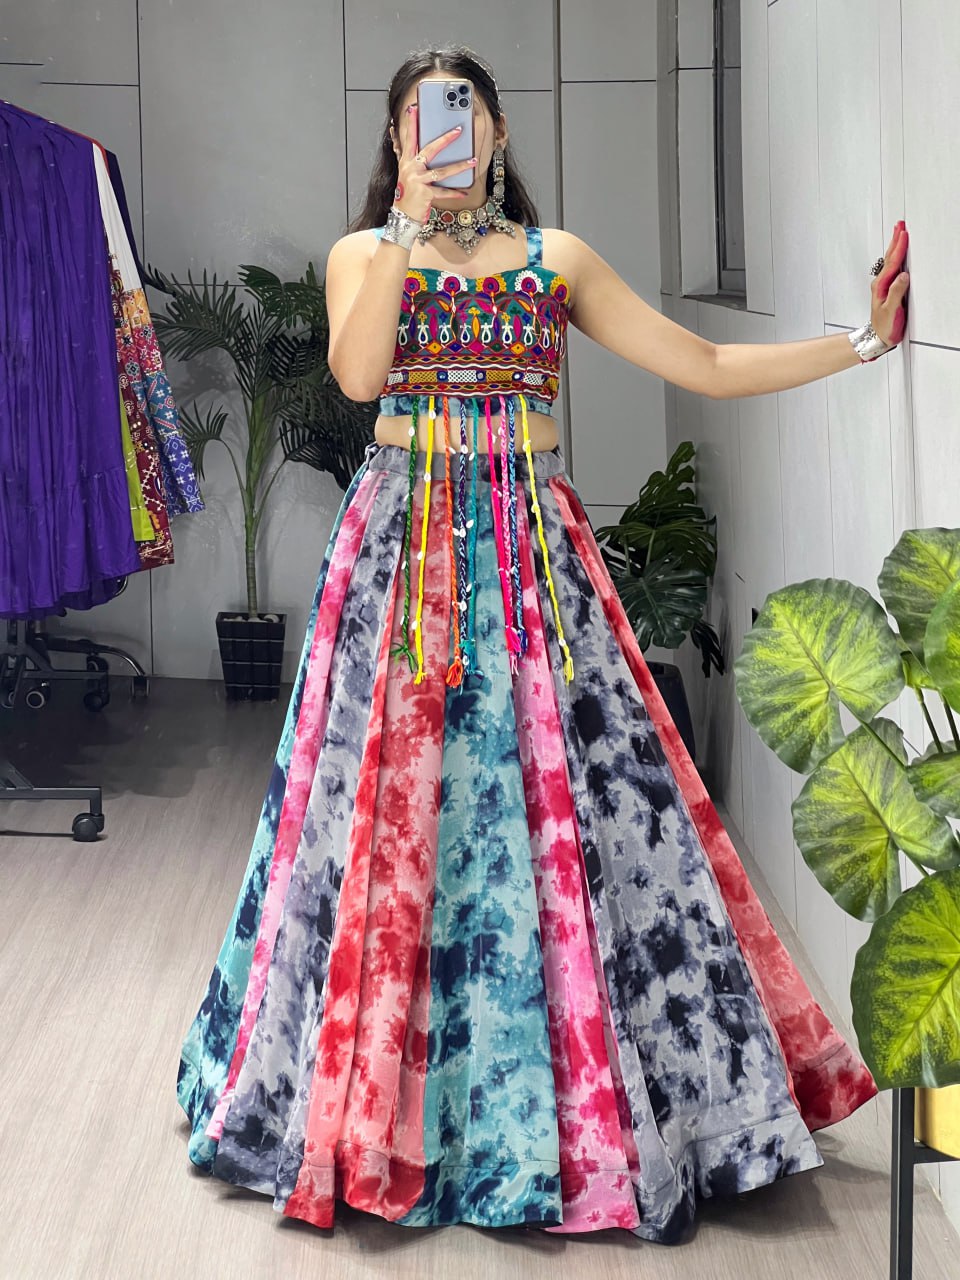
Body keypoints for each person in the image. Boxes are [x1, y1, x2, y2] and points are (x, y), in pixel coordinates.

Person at [176, 43, 910, 1242]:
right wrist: (408, 225)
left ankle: (577, 1112)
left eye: (464, 115)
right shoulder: (364, 255)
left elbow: (703, 360)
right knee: (384, 828)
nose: (448, 135)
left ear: (499, 131)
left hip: (532, 558)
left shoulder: (551, 258)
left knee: (573, 815)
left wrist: (864, 345)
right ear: (398, 143)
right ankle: (376, 1114)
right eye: (424, 121)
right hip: (399, 559)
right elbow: (359, 377)